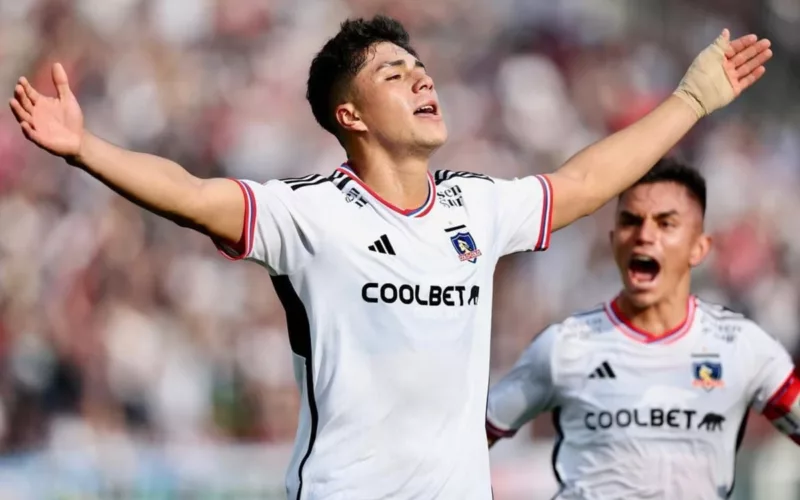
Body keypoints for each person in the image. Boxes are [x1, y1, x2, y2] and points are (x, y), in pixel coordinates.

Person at [8, 14, 772, 500]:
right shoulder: (310, 215)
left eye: (421, 67)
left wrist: (692, 99)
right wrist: (84, 149)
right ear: (350, 115)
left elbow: (583, 180)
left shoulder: (476, 205)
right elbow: (191, 192)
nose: (422, 78)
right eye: (393, 73)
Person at [486, 159, 800, 499]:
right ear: (613, 240)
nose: (644, 236)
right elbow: (465, 446)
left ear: (700, 247)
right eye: (631, 222)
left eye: (666, 224)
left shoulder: (742, 346)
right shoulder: (564, 346)